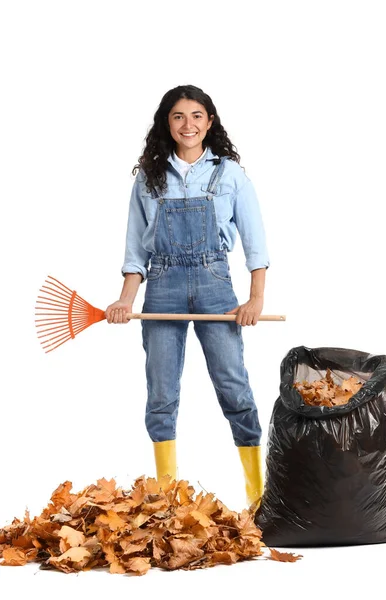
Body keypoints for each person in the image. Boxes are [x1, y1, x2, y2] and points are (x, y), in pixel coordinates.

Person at [105, 84, 270, 507]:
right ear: (167, 123)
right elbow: (135, 251)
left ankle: (259, 498)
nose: (188, 124)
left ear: (209, 122)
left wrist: (255, 300)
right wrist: (125, 299)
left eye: (197, 115)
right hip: (162, 288)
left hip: (216, 288)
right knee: (161, 393)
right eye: (178, 116)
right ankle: (165, 502)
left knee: (234, 388)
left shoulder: (230, 174)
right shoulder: (148, 177)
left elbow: (255, 243)